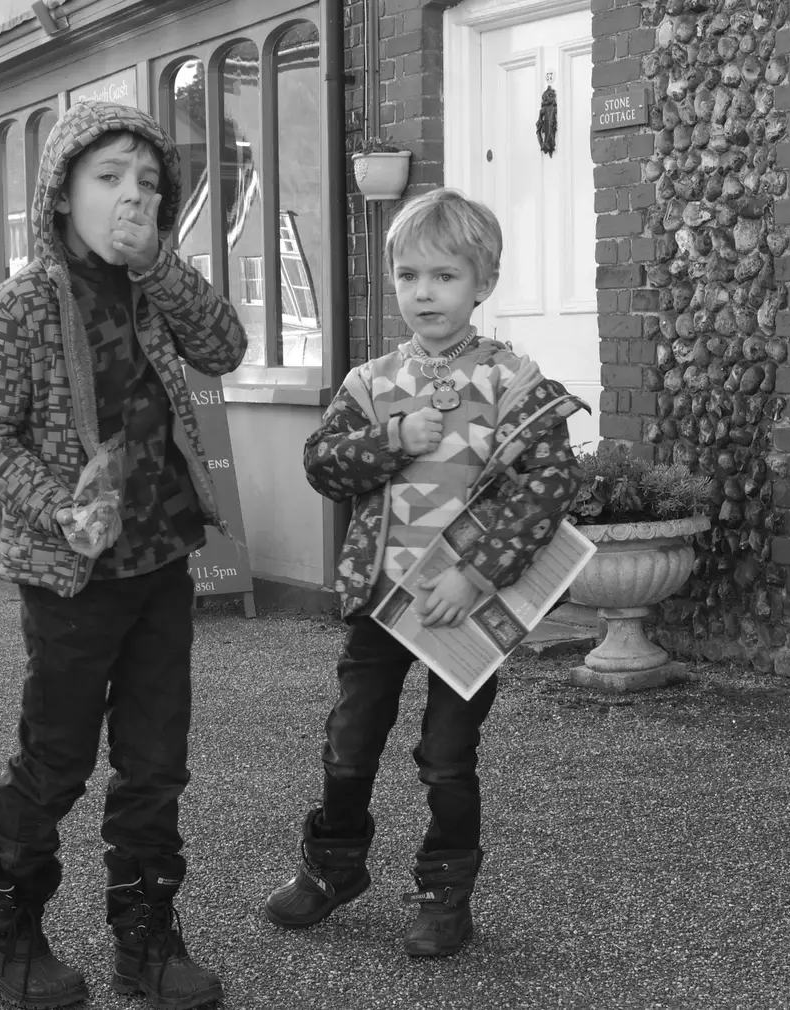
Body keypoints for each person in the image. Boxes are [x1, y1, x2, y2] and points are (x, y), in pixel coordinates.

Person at [0, 99, 246, 1010]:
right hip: (71, 572)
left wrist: (160, 263)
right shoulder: (21, 305)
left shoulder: (154, 285)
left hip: (160, 561)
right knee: (58, 759)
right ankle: (4, 942)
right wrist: (58, 506)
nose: (132, 196)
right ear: (62, 193)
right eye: (109, 177)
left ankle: (147, 944)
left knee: (157, 760)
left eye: (150, 182)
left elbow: (226, 347)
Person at [263, 187, 584, 957]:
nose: (423, 293)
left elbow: (547, 485)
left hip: (463, 609)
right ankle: (334, 866)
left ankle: (445, 894)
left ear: (483, 282)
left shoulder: (511, 379)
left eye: (443, 277)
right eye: (408, 276)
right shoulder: (372, 382)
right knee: (349, 744)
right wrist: (395, 436)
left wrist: (474, 574)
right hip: (382, 603)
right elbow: (324, 465)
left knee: (446, 759)